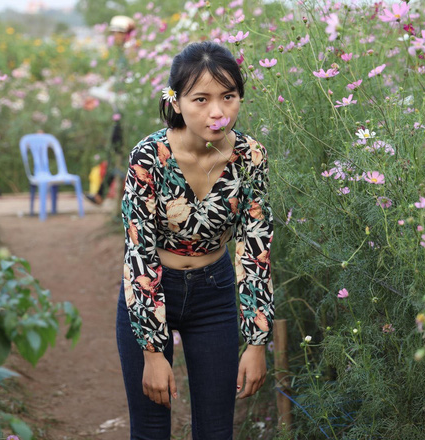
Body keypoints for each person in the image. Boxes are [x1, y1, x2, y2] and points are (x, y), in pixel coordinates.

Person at [116, 41, 274, 439]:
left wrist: (256, 342)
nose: (217, 112)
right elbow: (139, 253)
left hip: (214, 294)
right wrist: (153, 351)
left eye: (229, 97)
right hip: (152, 292)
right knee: (151, 429)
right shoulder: (149, 157)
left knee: (217, 430)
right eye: (201, 99)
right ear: (176, 100)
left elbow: (254, 248)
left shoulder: (250, 157)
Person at [86, 15, 136, 205]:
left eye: (118, 33)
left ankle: (105, 193)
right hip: (121, 113)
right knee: (117, 152)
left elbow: (124, 84)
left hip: (128, 115)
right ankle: (103, 192)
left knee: (119, 152)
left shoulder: (130, 53)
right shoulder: (121, 54)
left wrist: (99, 92)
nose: (114, 36)